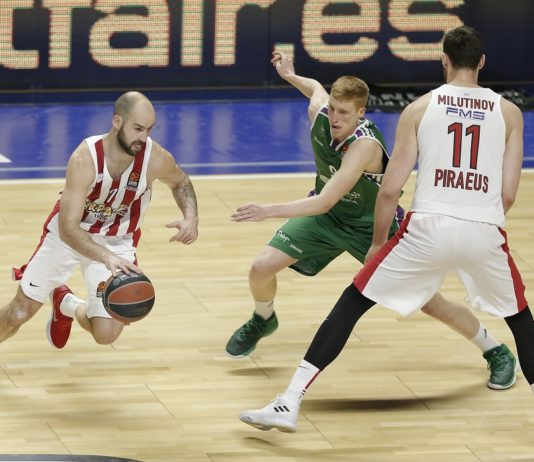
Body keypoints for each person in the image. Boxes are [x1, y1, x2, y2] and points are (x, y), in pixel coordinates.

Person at [239, 25, 534, 433]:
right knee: (520, 318)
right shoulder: (509, 112)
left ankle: (289, 401)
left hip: (420, 225)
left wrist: (379, 242)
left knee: (356, 303)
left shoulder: (418, 110)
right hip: (479, 227)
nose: (334, 117)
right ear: (482, 61)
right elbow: (508, 194)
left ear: (443, 60)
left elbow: (391, 190)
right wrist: (480, 221)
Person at [0, 91, 199, 349]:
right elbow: (68, 228)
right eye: (138, 128)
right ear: (117, 122)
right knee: (19, 312)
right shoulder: (85, 159)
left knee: (106, 334)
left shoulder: (155, 158)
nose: (143, 137)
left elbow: (180, 182)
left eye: (149, 129)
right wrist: (106, 257)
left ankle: (66, 303)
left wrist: (190, 217)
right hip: (70, 236)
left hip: (117, 240)